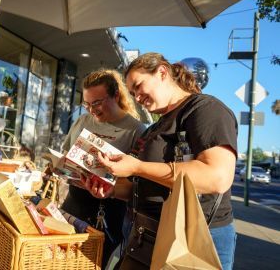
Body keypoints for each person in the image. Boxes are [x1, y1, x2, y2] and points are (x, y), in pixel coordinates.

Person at [85, 53, 238, 270]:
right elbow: (147, 186)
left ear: (162, 72)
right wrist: (110, 189)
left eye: (138, 86)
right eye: (132, 93)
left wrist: (137, 166)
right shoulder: (155, 127)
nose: (137, 98)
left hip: (193, 240)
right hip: (145, 237)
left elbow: (217, 177)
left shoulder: (205, 109)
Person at [60, 69, 146, 267]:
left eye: (97, 103)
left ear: (116, 95)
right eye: (87, 104)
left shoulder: (135, 130)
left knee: (92, 263)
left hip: (107, 212)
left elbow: (136, 179)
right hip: (73, 203)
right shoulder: (82, 121)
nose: (91, 110)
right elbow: (65, 155)